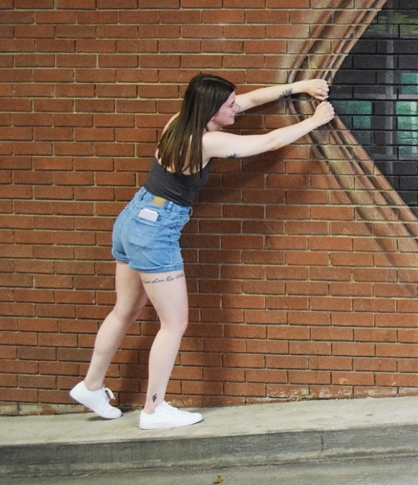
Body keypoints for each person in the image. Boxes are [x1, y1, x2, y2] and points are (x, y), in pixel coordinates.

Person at [70, 74, 335, 428]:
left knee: (125, 311)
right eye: (229, 105)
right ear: (211, 110)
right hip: (156, 231)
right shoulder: (206, 142)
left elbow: (252, 100)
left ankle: (91, 386)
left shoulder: (180, 122)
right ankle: (154, 409)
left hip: (134, 217)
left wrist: (299, 87)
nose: (236, 107)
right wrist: (315, 120)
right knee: (174, 322)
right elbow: (271, 142)